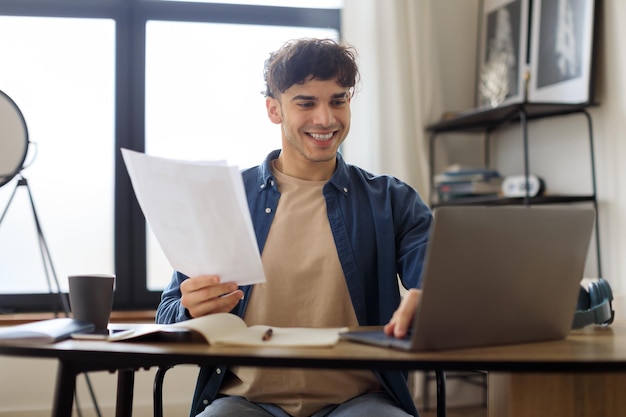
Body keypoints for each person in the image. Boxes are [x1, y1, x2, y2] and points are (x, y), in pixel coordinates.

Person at [156, 38, 432, 417]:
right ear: (274, 110)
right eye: (306, 103)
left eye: (338, 100)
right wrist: (189, 311)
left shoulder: (391, 200)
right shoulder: (226, 198)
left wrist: (433, 297)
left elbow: (440, 278)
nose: (326, 119)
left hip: (361, 402)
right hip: (244, 403)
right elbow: (168, 312)